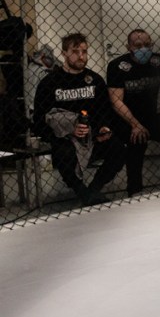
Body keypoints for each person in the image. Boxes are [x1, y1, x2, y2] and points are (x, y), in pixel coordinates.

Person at [32, 33, 126, 206]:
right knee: (64, 152)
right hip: (65, 139)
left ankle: (94, 189)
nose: (81, 56)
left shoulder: (95, 80)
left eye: (84, 51)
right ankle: (82, 192)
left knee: (118, 148)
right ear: (64, 53)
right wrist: (66, 131)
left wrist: (102, 128)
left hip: (92, 136)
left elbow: (105, 112)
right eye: (75, 51)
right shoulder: (49, 82)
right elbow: (39, 120)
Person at [106, 28, 160, 195]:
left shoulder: (159, 61)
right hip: (126, 120)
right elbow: (116, 101)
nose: (144, 49)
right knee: (137, 140)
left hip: (151, 117)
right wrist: (135, 124)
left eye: (148, 45)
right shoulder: (117, 66)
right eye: (138, 45)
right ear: (128, 47)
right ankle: (135, 190)